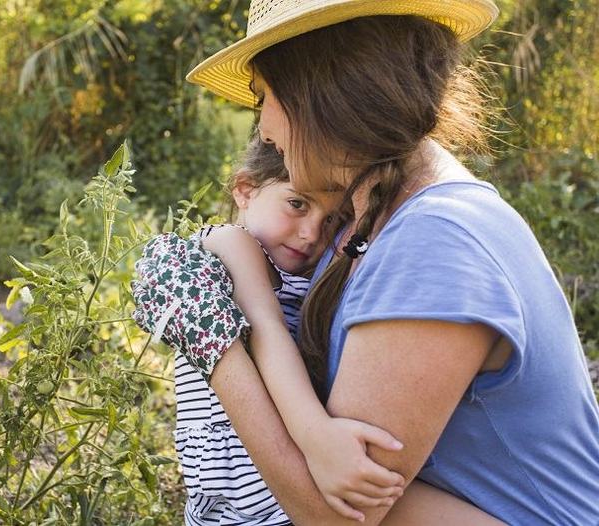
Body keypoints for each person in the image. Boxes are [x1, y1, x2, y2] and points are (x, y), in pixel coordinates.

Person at [134, 1, 599, 524]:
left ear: (318, 92)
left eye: (264, 97)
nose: (262, 129)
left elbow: (334, 515)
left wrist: (211, 340)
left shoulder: (433, 241)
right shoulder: (369, 221)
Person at [174, 136, 407, 525]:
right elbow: (267, 329)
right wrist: (318, 435)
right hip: (242, 488)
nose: (311, 233)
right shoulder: (229, 242)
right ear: (245, 190)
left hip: (277, 493)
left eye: (332, 220)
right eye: (297, 204)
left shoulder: (312, 275)